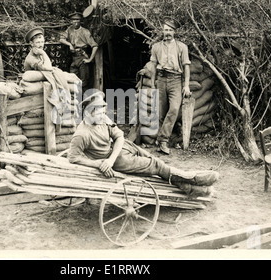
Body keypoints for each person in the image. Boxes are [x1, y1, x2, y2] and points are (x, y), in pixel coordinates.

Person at [67, 91, 219, 198]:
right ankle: (192, 179)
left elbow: (119, 135)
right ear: (88, 113)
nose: (103, 117)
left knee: (154, 160)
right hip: (119, 161)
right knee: (156, 165)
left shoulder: (103, 119)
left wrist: (111, 159)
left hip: (119, 150)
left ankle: (188, 188)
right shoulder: (82, 134)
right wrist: (98, 163)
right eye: (99, 114)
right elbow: (73, 158)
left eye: (103, 112)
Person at [140, 18, 191, 155]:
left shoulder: (182, 47)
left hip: (175, 80)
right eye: (165, 30)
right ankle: (160, 143)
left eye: (170, 30)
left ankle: (163, 140)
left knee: (174, 108)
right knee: (161, 112)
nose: (167, 33)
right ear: (162, 31)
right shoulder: (156, 47)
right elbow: (152, 66)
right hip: (161, 79)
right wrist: (151, 83)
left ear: (174, 32)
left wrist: (186, 86)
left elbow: (186, 67)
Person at [59, 12, 98, 92]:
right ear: (70, 21)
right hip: (74, 58)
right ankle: (76, 102)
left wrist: (90, 59)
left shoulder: (85, 31)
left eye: (78, 20)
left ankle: (85, 102)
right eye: (73, 20)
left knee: (84, 82)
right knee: (73, 80)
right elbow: (61, 39)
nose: (75, 22)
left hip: (82, 57)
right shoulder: (69, 29)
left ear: (80, 21)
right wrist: (69, 44)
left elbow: (95, 46)